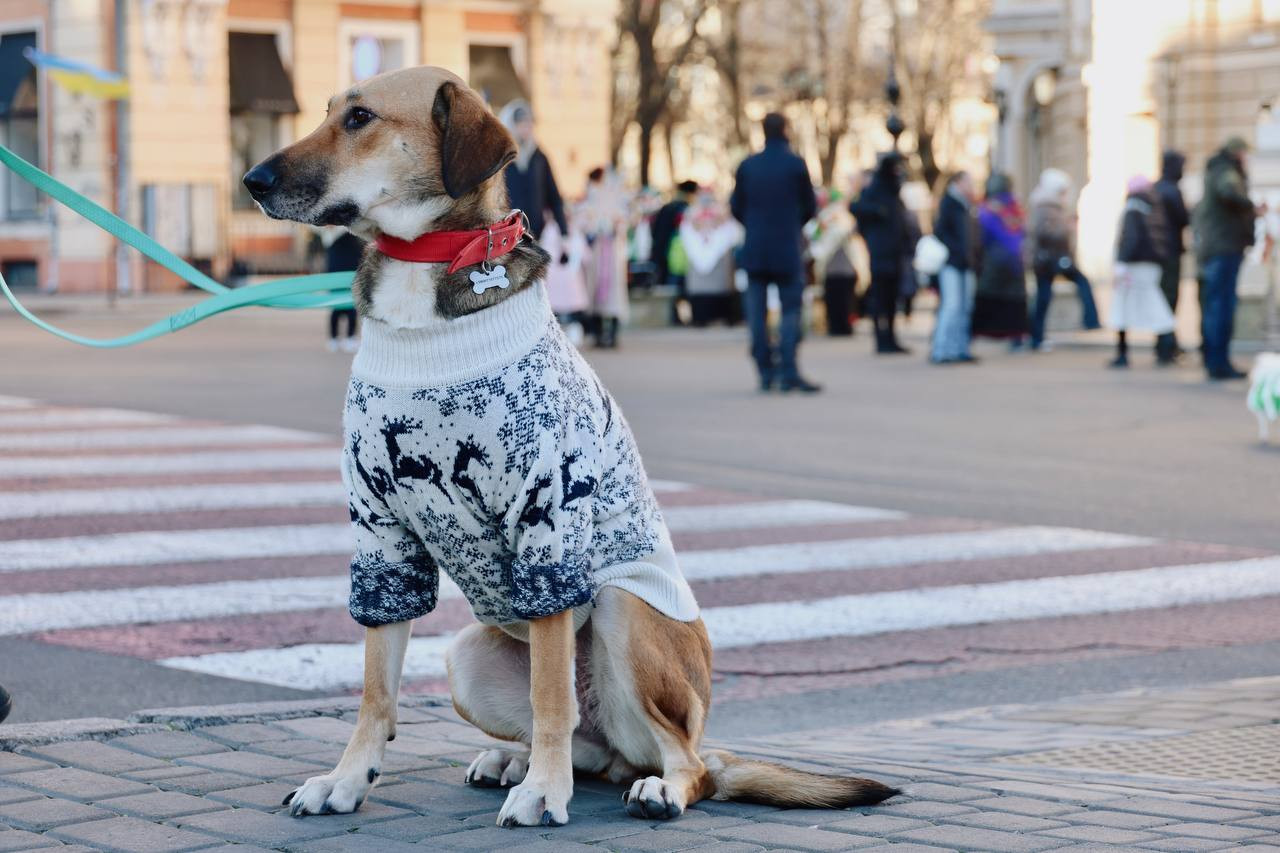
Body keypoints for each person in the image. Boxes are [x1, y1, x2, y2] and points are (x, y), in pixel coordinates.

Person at [730, 112, 820, 392]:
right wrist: (792, 226)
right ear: (785, 130)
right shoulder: (796, 165)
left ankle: (764, 369)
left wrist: (755, 226)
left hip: (756, 247)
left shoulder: (748, 165)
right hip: (786, 248)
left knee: (756, 312)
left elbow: (736, 206)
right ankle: (789, 370)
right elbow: (810, 206)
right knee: (791, 309)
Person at [1194, 137, 1259, 380]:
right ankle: (1218, 363)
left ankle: (1215, 360)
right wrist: (1251, 206)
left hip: (1219, 247)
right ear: (1237, 153)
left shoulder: (1217, 169)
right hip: (1225, 247)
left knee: (1215, 305)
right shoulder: (1226, 171)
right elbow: (1229, 192)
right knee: (1221, 306)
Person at [1028, 168, 1100, 350]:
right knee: (1044, 297)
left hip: (1055, 259)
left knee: (1045, 296)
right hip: (1048, 260)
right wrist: (1067, 227)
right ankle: (1036, 336)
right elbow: (1044, 233)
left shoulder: (1053, 207)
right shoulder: (1045, 207)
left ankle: (1036, 336)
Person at [850, 151, 913, 354]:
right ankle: (881, 338)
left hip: (893, 251)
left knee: (892, 298)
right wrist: (877, 212)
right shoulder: (876, 189)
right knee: (880, 297)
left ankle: (890, 338)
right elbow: (856, 207)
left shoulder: (892, 192)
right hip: (881, 252)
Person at [1109, 176, 1175, 368]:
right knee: (1154, 301)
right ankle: (1166, 348)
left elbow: (1130, 237)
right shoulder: (1153, 206)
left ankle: (1122, 353)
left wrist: (1121, 262)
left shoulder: (1133, 207)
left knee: (1122, 306)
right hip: (1152, 265)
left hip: (1134, 265)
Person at [499, 99, 569, 257]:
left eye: (529, 123)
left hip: (536, 235)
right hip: (505, 236)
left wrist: (564, 234)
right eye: (522, 124)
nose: (527, 128)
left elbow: (554, 197)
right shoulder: (502, 157)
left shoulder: (539, 157)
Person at [971, 173, 1030, 345]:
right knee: (1014, 301)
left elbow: (982, 237)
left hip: (993, 262)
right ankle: (1015, 337)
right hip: (1014, 262)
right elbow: (1021, 231)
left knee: (988, 298)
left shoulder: (986, 210)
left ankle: (984, 331)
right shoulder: (1014, 208)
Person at [577, 167, 630, 348]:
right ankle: (598, 334)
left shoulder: (616, 201)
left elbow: (623, 225)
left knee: (614, 292)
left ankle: (613, 334)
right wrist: (593, 227)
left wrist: (615, 227)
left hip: (613, 253)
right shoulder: (589, 202)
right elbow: (582, 224)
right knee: (595, 289)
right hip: (597, 253)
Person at [930, 171, 979, 364]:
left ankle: (960, 348)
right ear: (958, 182)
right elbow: (941, 232)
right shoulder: (949, 203)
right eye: (969, 182)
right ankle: (941, 349)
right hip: (952, 262)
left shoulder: (966, 205)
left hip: (967, 263)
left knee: (965, 307)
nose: (972, 185)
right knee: (951, 306)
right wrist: (957, 251)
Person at [680, 188, 743, 327]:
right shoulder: (692, 213)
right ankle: (702, 318)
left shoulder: (720, 213)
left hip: (719, 269)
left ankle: (721, 317)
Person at [1153, 150, 1190, 364]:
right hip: (1169, 252)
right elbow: (1183, 218)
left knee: (1163, 298)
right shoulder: (1171, 190)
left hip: (1159, 253)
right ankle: (1166, 346)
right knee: (1169, 298)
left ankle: (1166, 343)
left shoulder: (1156, 188)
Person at [809, 187, 858, 336]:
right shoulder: (832, 217)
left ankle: (840, 326)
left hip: (838, 265)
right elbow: (815, 235)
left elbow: (816, 237)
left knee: (839, 299)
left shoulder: (836, 218)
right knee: (840, 299)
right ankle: (838, 326)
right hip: (838, 266)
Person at [324, 230, 363, 353]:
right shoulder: (330, 235)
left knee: (351, 308)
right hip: (335, 273)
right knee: (336, 307)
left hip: (351, 272)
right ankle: (334, 338)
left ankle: (350, 337)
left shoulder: (355, 232)